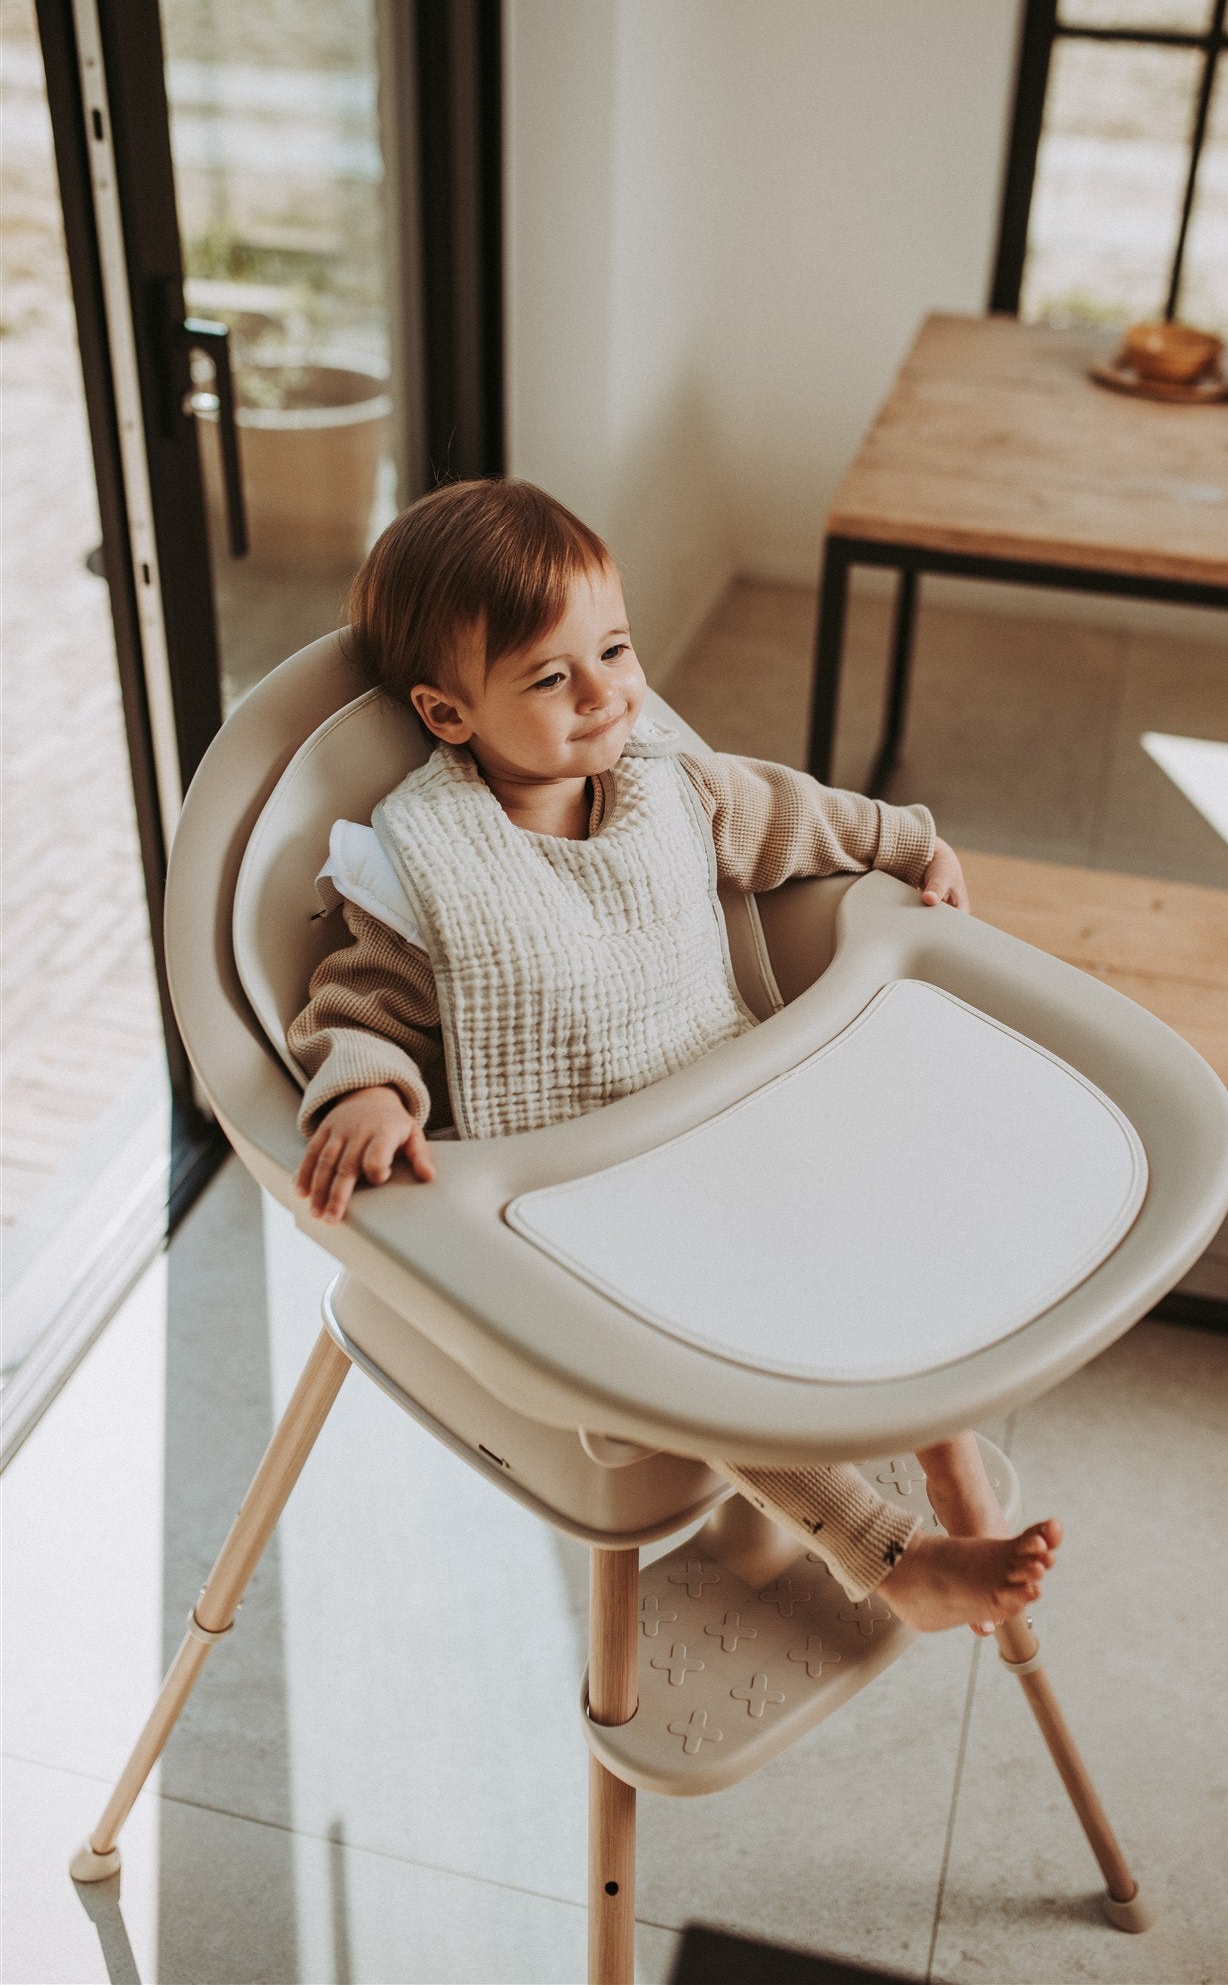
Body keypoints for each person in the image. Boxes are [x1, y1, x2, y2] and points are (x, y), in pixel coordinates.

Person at [289, 478, 1061, 1637]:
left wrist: (908, 840)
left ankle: (949, 1457)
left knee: (882, 1238)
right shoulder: (427, 861)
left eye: (615, 647)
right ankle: (887, 1551)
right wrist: (366, 1087)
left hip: (727, 1116)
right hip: (579, 1208)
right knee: (722, 1354)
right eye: (552, 677)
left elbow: (799, 817)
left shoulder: (668, 784)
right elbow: (359, 1003)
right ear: (449, 715)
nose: (606, 694)